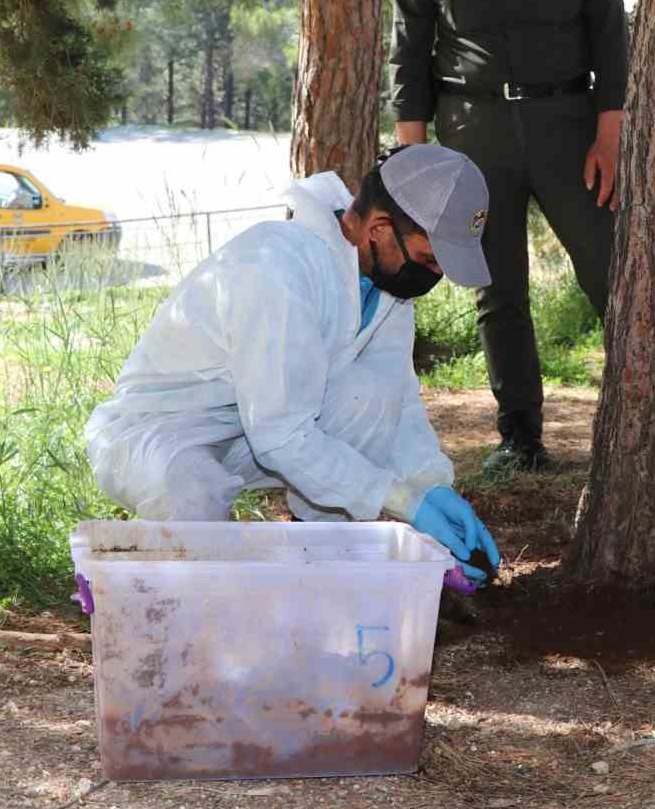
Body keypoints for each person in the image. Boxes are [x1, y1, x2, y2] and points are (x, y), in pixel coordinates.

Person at [85, 144, 503, 586]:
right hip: (161, 432)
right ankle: (159, 593)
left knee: (370, 394)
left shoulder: (385, 286)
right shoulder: (277, 268)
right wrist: (403, 501)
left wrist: (429, 484)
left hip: (254, 436)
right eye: (428, 260)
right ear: (379, 229)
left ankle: (319, 559)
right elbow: (280, 433)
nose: (433, 276)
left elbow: (397, 400)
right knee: (195, 502)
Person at [389, 0, 628, 474]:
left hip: (569, 126)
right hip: (473, 132)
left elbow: (609, 28)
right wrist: (413, 160)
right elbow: (408, 55)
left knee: (612, 273)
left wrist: (610, 131)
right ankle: (520, 439)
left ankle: (644, 420)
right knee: (496, 288)